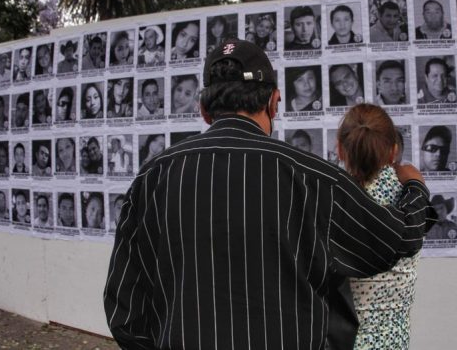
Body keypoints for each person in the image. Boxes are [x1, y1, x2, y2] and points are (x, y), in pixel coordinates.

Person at [103, 39, 434, 349]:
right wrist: (414, 187)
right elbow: (395, 238)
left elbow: (126, 310)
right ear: (274, 102)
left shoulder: (152, 178)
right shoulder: (313, 178)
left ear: (204, 110)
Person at [335, 103, 431, 350]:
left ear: (340, 150)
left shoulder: (330, 201)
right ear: (393, 151)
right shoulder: (411, 200)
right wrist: (417, 186)